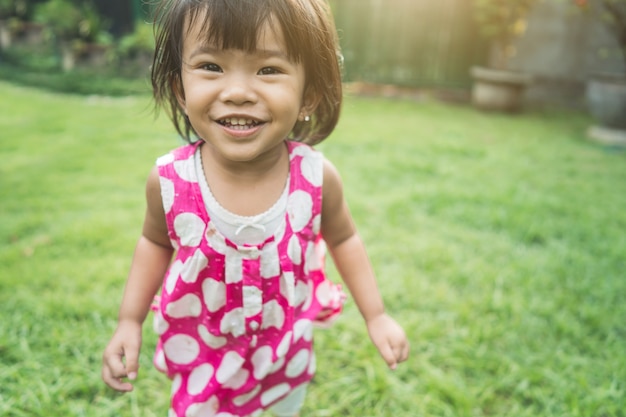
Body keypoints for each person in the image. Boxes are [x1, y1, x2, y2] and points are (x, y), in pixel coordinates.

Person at [101, 0, 409, 416]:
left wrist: (376, 315)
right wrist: (129, 320)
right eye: (211, 66)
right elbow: (154, 244)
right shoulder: (171, 182)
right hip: (203, 355)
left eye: (268, 70)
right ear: (180, 87)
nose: (238, 92)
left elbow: (345, 238)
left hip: (285, 353)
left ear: (308, 95)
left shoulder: (316, 178)